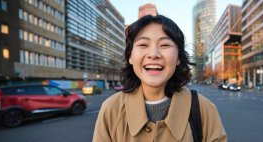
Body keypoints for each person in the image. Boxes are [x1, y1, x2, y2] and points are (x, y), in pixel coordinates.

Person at [93, 15, 227, 142]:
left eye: (165, 45)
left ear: (178, 58)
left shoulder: (204, 109)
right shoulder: (111, 109)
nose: (154, 54)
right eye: (143, 45)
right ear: (130, 57)